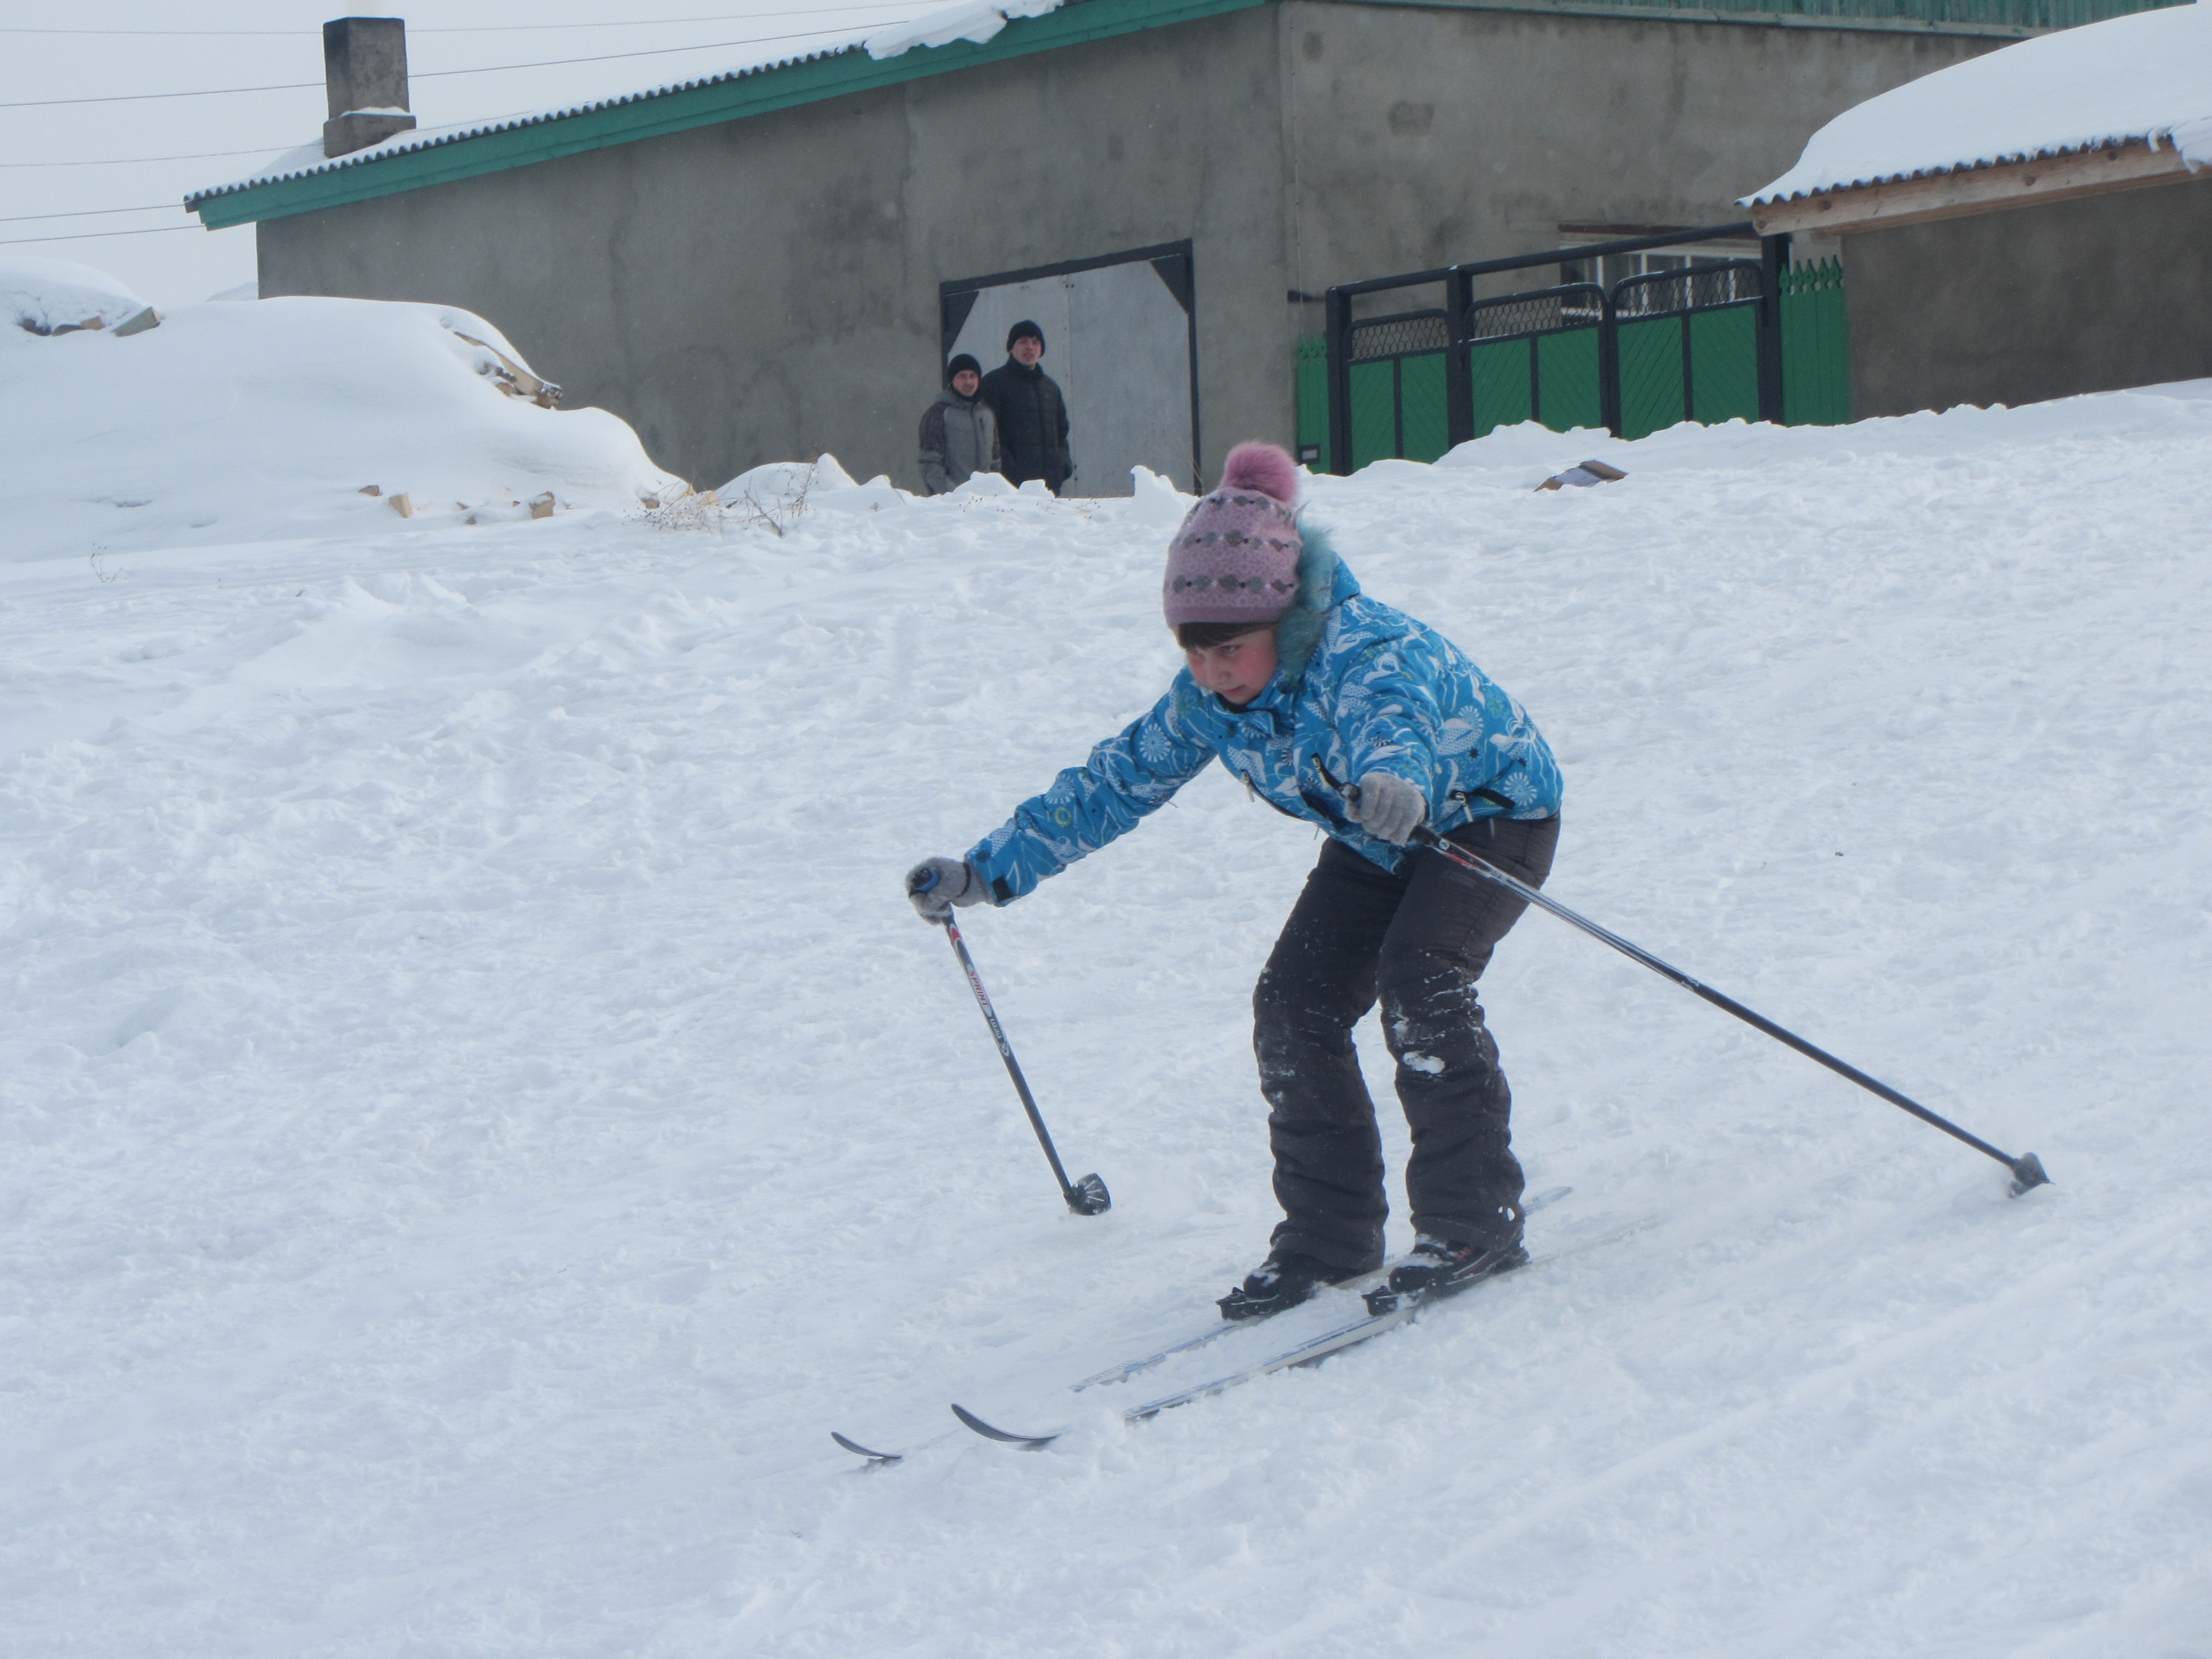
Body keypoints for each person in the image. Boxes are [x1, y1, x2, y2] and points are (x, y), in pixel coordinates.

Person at [905, 441, 1563, 1321]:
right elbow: (1111, 784)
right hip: (1375, 833)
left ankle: (1473, 1221)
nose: (1213, 670)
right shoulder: (1204, 704)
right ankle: (1330, 1237)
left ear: (1286, 620)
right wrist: (986, 870)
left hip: (1489, 816)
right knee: (1294, 1005)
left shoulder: (1362, 650)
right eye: (1194, 649)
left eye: (1230, 649)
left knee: (1421, 979)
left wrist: (1398, 781)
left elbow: (1394, 719)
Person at [977, 320, 1072, 495]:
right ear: (1011, 348)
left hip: (1050, 488)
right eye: (1023, 342)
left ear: (1042, 350)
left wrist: (1063, 465)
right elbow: (987, 434)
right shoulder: (993, 384)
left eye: (1036, 342)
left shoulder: (1051, 388)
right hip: (1011, 488)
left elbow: (1062, 432)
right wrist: (1010, 469)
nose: (1030, 347)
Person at [918, 353, 1000, 495]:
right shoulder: (938, 414)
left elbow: (995, 462)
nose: (969, 382)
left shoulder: (987, 414)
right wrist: (954, 495)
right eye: (962, 376)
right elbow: (929, 465)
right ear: (952, 380)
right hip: (952, 506)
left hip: (986, 504)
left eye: (973, 376)